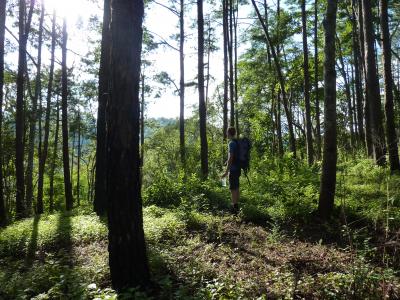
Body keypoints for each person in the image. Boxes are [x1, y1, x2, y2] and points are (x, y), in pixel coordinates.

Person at [221, 127, 241, 214]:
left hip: (233, 169)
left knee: (233, 188)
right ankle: (236, 206)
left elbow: (231, 157)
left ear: (229, 133)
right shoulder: (237, 142)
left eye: (227, 133)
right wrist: (227, 160)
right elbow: (234, 156)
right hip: (238, 168)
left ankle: (234, 208)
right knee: (236, 187)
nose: (226, 134)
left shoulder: (231, 143)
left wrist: (226, 171)